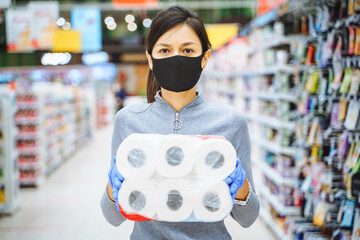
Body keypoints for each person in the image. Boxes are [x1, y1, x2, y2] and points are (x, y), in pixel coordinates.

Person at [101, 6, 260, 239]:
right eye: (165, 50)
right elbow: (113, 218)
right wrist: (112, 188)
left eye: (187, 50)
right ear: (151, 59)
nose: (176, 58)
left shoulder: (230, 122)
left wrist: (241, 187)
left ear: (205, 57)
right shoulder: (128, 121)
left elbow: (248, 219)